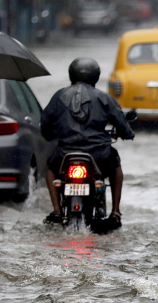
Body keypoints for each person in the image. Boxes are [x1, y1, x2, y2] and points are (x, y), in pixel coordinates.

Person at [41, 57, 134, 228]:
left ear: (71, 74)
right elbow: (122, 123)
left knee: (50, 169)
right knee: (116, 166)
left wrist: (50, 135)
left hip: (64, 155)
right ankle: (115, 211)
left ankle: (56, 210)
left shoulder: (59, 96)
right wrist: (127, 133)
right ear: (96, 76)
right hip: (99, 155)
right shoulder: (104, 98)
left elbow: (45, 124)